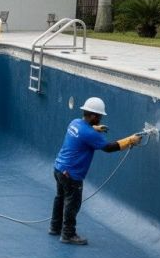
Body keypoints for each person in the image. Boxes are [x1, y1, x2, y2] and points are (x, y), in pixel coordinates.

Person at [51, 97, 142, 245]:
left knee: (60, 198)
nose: (100, 119)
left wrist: (94, 128)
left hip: (59, 168)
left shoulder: (74, 123)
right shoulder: (90, 135)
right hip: (71, 175)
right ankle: (68, 234)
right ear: (93, 115)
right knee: (72, 203)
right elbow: (109, 148)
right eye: (99, 116)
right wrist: (130, 140)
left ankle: (55, 227)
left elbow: (83, 130)